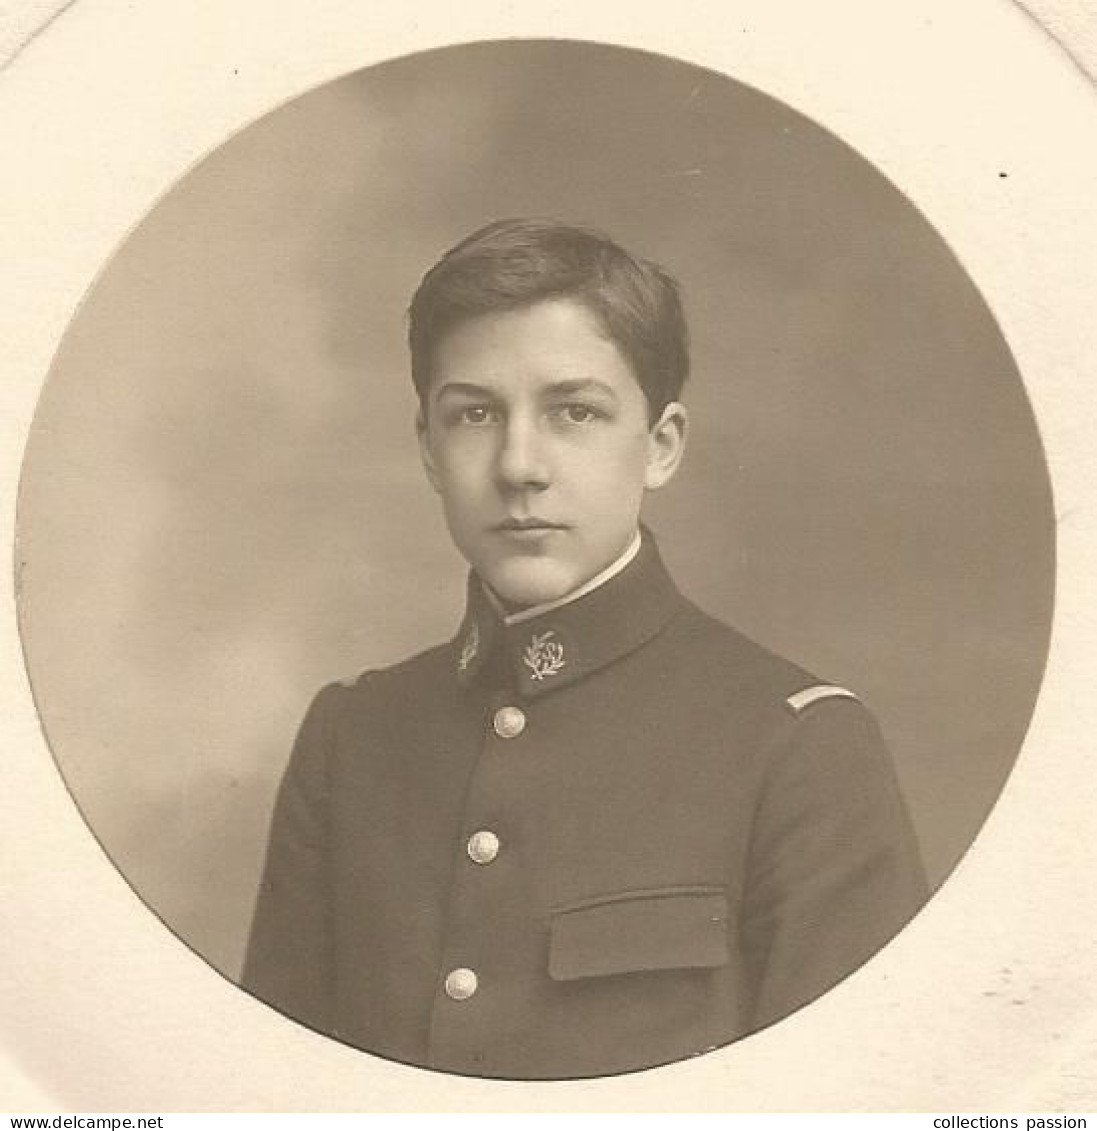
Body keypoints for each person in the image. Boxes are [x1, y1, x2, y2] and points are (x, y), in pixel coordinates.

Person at [241, 217, 928, 1079]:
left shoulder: (798, 747)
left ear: (662, 445)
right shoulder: (352, 736)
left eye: (573, 411)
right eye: (474, 413)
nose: (518, 464)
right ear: (426, 448)